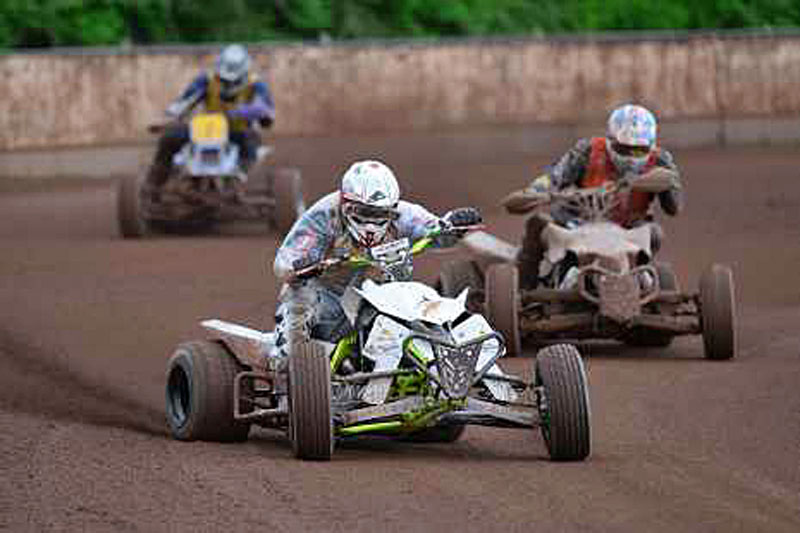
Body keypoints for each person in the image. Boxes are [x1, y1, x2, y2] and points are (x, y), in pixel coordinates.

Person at [272, 159, 481, 360]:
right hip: (328, 295)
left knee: (421, 303)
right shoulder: (324, 215)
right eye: (364, 212)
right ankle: (286, 359)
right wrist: (301, 266)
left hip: (381, 292)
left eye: (381, 214)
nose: (371, 224)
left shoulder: (404, 214)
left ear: (392, 209)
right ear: (345, 203)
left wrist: (454, 225)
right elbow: (286, 261)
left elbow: (436, 231)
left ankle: (442, 356)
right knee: (300, 302)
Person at [512, 104, 683, 289]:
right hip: (578, 223)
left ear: (651, 146)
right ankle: (523, 289)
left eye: (639, 151)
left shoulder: (660, 161)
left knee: (654, 233)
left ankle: (641, 275)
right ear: (610, 141)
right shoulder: (589, 150)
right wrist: (536, 190)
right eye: (623, 149)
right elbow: (555, 175)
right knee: (538, 223)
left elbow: (674, 208)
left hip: (630, 229)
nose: (631, 158)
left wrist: (668, 184)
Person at [144, 44, 276, 198]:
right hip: (207, 129)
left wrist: (242, 113)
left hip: (237, 131)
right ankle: (157, 180)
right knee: (169, 138)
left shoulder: (256, 85)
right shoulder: (206, 80)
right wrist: (169, 117)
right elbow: (185, 101)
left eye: (232, 82)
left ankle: (237, 178)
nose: (228, 85)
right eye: (224, 80)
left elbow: (264, 109)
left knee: (251, 142)